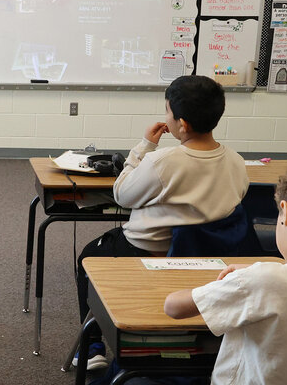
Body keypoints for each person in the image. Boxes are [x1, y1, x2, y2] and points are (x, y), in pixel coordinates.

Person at [117, 155, 287, 385]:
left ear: (286, 212)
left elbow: (174, 306)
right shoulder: (270, 277)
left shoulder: (263, 280)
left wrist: (247, 278)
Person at [75, 75, 248, 369]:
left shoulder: (163, 161)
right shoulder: (236, 161)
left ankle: (92, 348)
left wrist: (144, 147)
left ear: (183, 124)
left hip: (148, 254)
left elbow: (122, 194)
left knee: (88, 258)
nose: (165, 118)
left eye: (168, 112)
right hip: (209, 257)